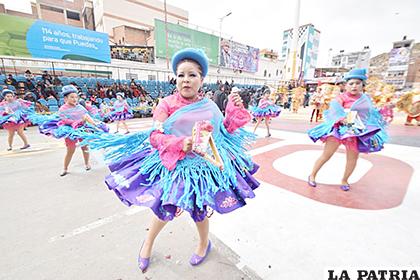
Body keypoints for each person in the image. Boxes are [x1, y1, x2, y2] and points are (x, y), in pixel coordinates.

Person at [88, 48, 259, 272]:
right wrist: (180, 143)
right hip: (174, 167)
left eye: (192, 75)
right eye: (181, 75)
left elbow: (225, 131)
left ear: (202, 79)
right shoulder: (166, 104)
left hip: (202, 169)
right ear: (175, 78)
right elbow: (155, 136)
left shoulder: (209, 106)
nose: (186, 80)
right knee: (163, 209)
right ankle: (147, 244)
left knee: (198, 210)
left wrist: (233, 109)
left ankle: (203, 244)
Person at [307, 69, 388, 191]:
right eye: (351, 83)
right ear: (346, 85)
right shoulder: (341, 98)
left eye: (357, 83)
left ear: (362, 85)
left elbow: (370, 114)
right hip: (338, 129)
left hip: (356, 131)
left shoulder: (366, 99)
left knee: (352, 158)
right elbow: (334, 111)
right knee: (327, 154)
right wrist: (343, 119)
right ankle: (312, 175)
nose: (354, 86)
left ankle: (345, 179)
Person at [36, 85, 108, 176]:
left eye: (76, 97)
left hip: (82, 129)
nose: (74, 99)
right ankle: (65, 168)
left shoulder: (80, 107)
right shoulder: (63, 108)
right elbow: (64, 120)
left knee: (85, 147)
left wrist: (95, 124)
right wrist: (76, 122)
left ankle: (87, 163)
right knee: (70, 150)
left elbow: (87, 116)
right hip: (70, 130)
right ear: (66, 98)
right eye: (72, 97)